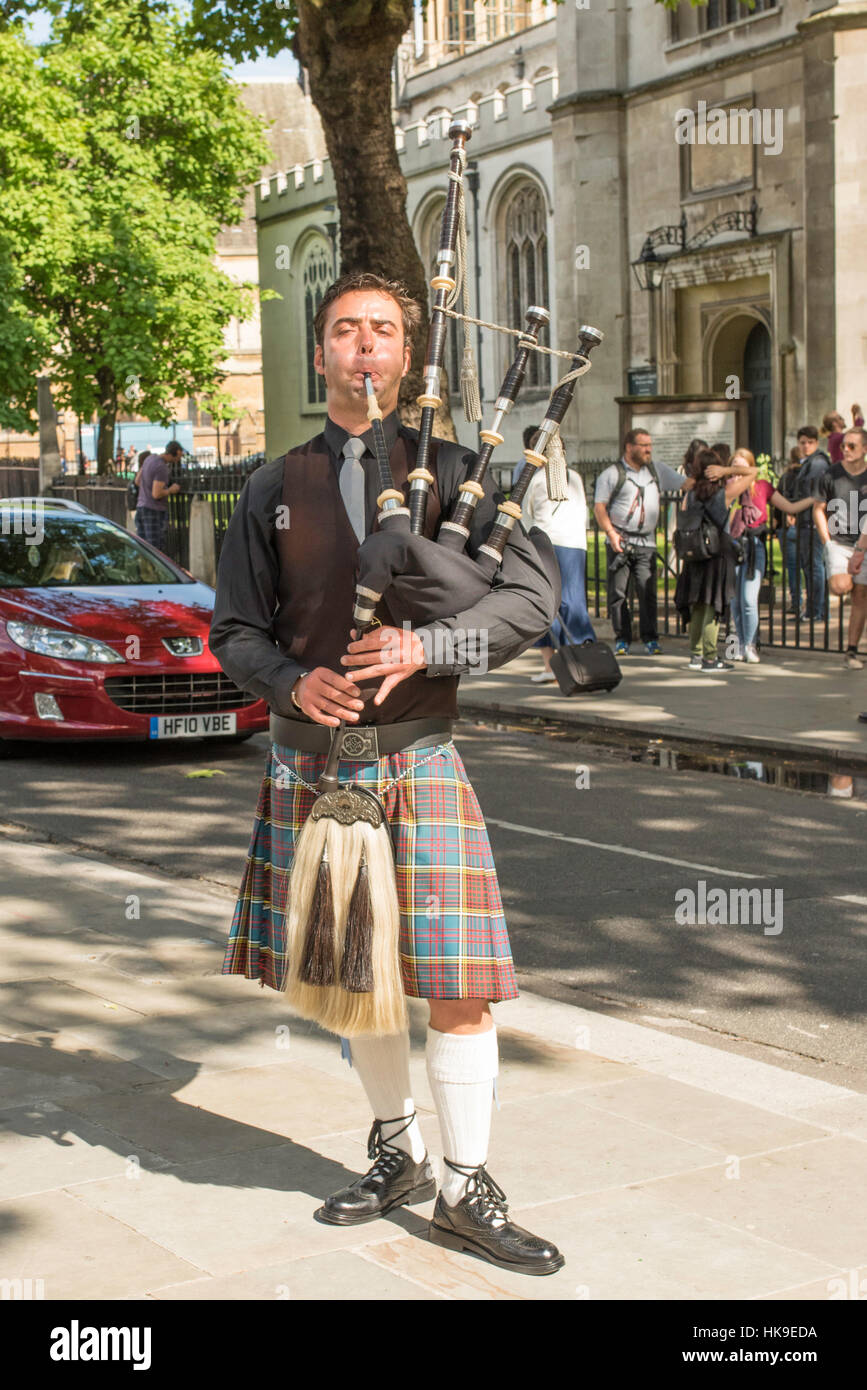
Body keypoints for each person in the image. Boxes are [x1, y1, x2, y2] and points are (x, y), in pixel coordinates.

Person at [209, 271, 564, 1276]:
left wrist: (432, 649)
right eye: (344, 331)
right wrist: (286, 678)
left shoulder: (464, 471)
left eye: (382, 332)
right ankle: (396, 1152)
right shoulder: (276, 485)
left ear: (406, 356)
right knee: (354, 981)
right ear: (319, 353)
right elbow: (232, 628)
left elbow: (533, 604)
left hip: (421, 759)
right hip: (314, 770)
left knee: (459, 988)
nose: (364, 348)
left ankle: (465, 1186)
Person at [593, 428, 694, 656]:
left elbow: (686, 485)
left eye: (650, 445)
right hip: (620, 541)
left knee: (646, 592)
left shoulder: (657, 471)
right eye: (643, 445)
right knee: (618, 594)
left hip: (647, 543)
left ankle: (651, 638)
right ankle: (622, 639)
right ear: (629, 447)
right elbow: (599, 507)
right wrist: (611, 533)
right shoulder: (611, 474)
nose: (649, 449)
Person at [520, 425, 595, 683]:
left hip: (546, 544)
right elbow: (583, 512)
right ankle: (582, 660)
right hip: (574, 544)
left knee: (547, 603)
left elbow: (526, 517)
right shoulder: (573, 477)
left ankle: (551, 666)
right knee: (574, 603)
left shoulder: (535, 479)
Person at [728, 447, 818, 662]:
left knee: (748, 599)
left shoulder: (762, 487)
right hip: (732, 546)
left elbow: (790, 507)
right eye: (734, 466)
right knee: (734, 602)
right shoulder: (728, 489)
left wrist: (814, 499)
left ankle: (749, 644)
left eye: (742, 466)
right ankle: (737, 645)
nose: (738, 471)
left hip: (754, 545)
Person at [675, 449, 757, 672]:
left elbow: (683, 518)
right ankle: (710, 659)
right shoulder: (725, 493)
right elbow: (753, 471)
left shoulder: (689, 494)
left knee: (698, 605)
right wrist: (728, 470)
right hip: (716, 554)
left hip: (694, 554)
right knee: (713, 604)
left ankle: (695, 655)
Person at [814, 426, 867, 669]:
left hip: (864, 544)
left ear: (865, 449)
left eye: (852, 446)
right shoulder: (831, 474)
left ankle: (851, 651)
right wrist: (827, 543)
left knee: (861, 596)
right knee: (841, 585)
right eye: (843, 445)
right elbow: (818, 509)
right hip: (838, 542)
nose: (845, 450)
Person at [786, 425, 831, 621]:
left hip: (812, 522)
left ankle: (816, 611)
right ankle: (815, 610)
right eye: (802, 442)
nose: (805, 446)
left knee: (814, 568)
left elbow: (816, 494)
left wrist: (795, 508)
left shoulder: (818, 463)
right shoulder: (809, 462)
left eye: (809, 442)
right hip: (805, 520)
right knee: (810, 567)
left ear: (816, 443)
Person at [134, 441, 182, 552]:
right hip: (153, 510)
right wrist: (171, 490)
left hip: (141, 507)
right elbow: (156, 494)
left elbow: (137, 481)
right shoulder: (162, 468)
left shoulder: (149, 459)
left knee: (143, 549)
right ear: (174, 453)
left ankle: (145, 569)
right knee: (155, 549)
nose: (178, 460)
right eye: (179, 456)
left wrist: (148, 486)